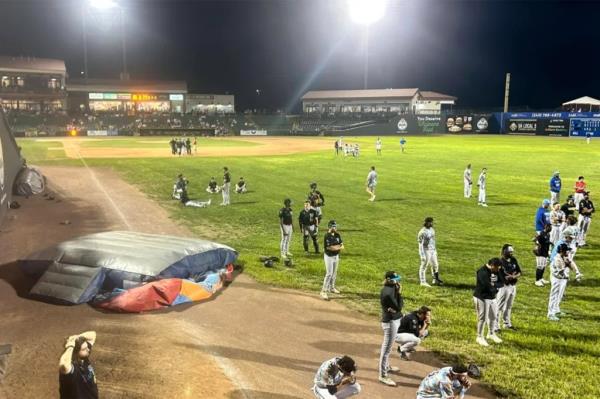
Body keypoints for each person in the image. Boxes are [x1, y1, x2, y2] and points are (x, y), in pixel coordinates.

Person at [378, 271, 403, 387]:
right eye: (395, 279)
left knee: (388, 348)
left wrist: (397, 292)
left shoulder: (392, 288)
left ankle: (386, 366)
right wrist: (399, 293)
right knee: (386, 350)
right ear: (388, 279)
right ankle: (383, 375)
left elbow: (397, 308)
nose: (397, 281)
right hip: (390, 322)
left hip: (394, 320)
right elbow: (399, 306)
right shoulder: (388, 292)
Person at [59, 331, 98, 399]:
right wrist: (70, 346)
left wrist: (76, 337)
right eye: (84, 349)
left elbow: (93, 335)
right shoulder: (71, 368)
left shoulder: (84, 358)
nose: (88, 350)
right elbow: (63, 364)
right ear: (75, 352)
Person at [473, 257, 503, 346]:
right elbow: (486, 286)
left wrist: (494, 286)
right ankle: (479, 337)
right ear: (492, 265)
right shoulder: (482, 272)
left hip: (492, 297)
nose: (498, 270)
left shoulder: (496, 270)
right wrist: (495, 288)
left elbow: (502, 282)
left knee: (494, 316)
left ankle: (491, 333)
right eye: (497, 268)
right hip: (482, 297)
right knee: (483, 318)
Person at [547, 243, 581, 321]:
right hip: (556, 279)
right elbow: (562, 271)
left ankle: (556, 310)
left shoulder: (563, 256)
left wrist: (577, 272)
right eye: (566, 251)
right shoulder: (557, 259)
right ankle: (550, 314)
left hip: (561, 279)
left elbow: (570, 263)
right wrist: (569, 277)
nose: (567, 252)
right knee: (554, 296)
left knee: (559, 295)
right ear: (562, 251)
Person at [495, 245, 521, 331]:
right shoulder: (500, 262)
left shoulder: (513, 260)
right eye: (510, 251)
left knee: (509, 306)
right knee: (499, 306)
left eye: (512, 251)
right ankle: (495, 326)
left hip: (513, 286)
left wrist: (514, 276)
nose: (511, 253)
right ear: (504, 252)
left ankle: (507, 324)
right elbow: (503, 276)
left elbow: (519, 272)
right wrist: (512, 276)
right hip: (504, 287)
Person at [321, 220, 344, 300]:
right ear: (330, 227)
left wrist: (337, 247)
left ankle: (331, 287)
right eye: (334, 226)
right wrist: (338, 247)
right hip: (329, 257)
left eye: (335, 226)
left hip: (336, 256)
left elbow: (342, 246)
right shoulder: (327, 236)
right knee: (329, 273)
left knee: (334, 273)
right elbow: (330, 248)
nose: (335, 227)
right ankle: (323, 291)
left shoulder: (337, 235)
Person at [417, 217, 443, 287]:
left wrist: (435, 250)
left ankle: (435, 279)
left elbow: (433, 240)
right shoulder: (422, 232)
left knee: (435, 265)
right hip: (426, 250)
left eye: (432, 222)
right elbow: (420, 244)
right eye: (430, 222)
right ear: (426, 222)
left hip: (433, 250)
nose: (432, 223)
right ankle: (422, 282)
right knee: (424, 265)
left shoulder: (432, 230)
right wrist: (422, 255)